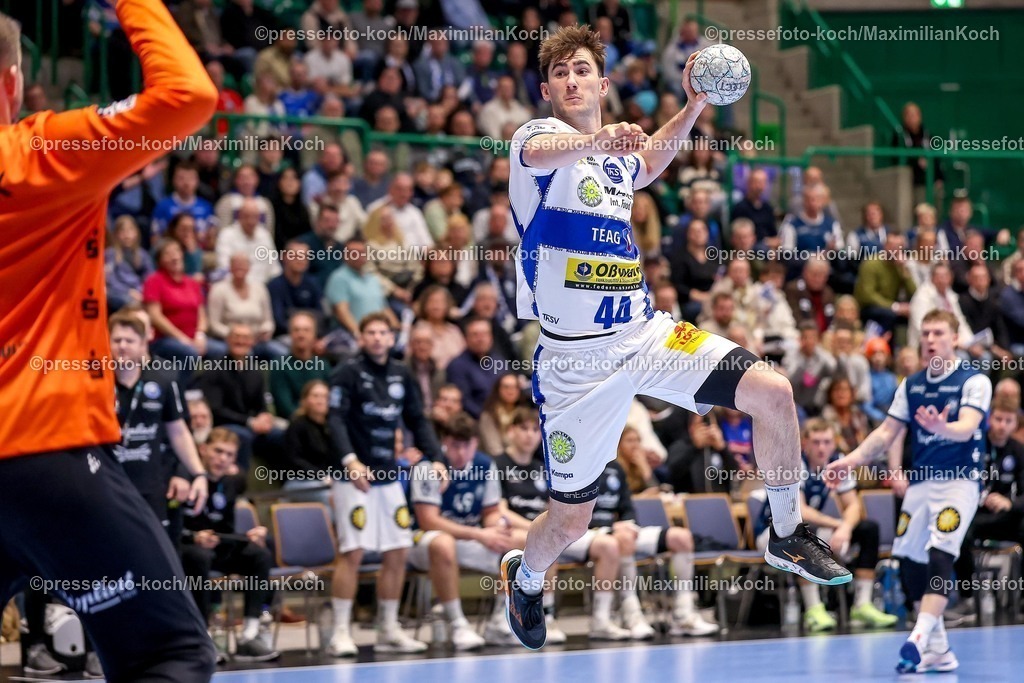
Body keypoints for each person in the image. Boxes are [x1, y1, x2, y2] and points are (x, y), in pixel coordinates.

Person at [501, 26, 850, 649]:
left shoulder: (613, 160)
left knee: (773, 390)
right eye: (560, 74)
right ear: (548, 89)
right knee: (571, 518)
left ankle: (788, 532)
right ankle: (525, 577)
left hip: (645, 332)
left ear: (603, 83)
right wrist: (600, 138)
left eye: (583, 70)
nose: (572, 80)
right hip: (577, 365)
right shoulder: (534, 143)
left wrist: (691, 106)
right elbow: (546, 151)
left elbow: (650, 161)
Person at [0, 1, 219, 679]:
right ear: (12, 81)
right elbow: (188, 94)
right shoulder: (35, 152)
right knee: (168, 654)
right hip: (40, 447)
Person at [827, 310, 993, 674]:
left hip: (960, 481)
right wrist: (850, 461)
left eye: (938, 333)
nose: (931, 339)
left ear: (954, 338)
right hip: (922, 484)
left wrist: (941, 426)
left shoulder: (974, 381)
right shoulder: (912, 384)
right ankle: (940, 649)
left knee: (940, 554)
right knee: (909, 558)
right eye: (926, 333)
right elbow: (886, 434)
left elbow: (966, 428)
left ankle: (917, 636)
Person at [325, 313, 446, 656]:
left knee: (398, 550)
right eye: (371, 332)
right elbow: (334, 420)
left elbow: (416, 419)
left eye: (383, 332)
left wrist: (436, 457)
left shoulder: (401, 373)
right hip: (354, 477)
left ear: (392, 338)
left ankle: (389, 629)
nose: (377, 338)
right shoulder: (347, 372)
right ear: (361, 337)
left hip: (388, 475)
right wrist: (350, 461)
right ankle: (340, 632)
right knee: (353, 551)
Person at [753, 419, 897, 632]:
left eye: (827, 442)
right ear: (805, 444)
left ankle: (862, 604)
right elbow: (801, 510)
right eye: (816, 442)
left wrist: (846, 529)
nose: (822, 448)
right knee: (802, 532)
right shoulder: (795, 463)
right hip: (772, 534)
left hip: (807, 529)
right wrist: (838, 524)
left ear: (834, 444)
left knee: (867, 529)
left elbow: (854, 506)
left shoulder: (838, 463)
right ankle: (813, 609)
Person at [180, 428, 280, 662]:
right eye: (218, 451)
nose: (222, 459)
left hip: (218, 547)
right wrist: (193, 536)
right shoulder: (183, 479)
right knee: (198, 557)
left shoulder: (231, 483)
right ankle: (201, 638)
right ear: (203, 450)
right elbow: (166, 526)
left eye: (229, 455)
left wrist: (249, 536)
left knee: (260, 554)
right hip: (186, 548)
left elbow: (226, 531)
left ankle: (249, 635)